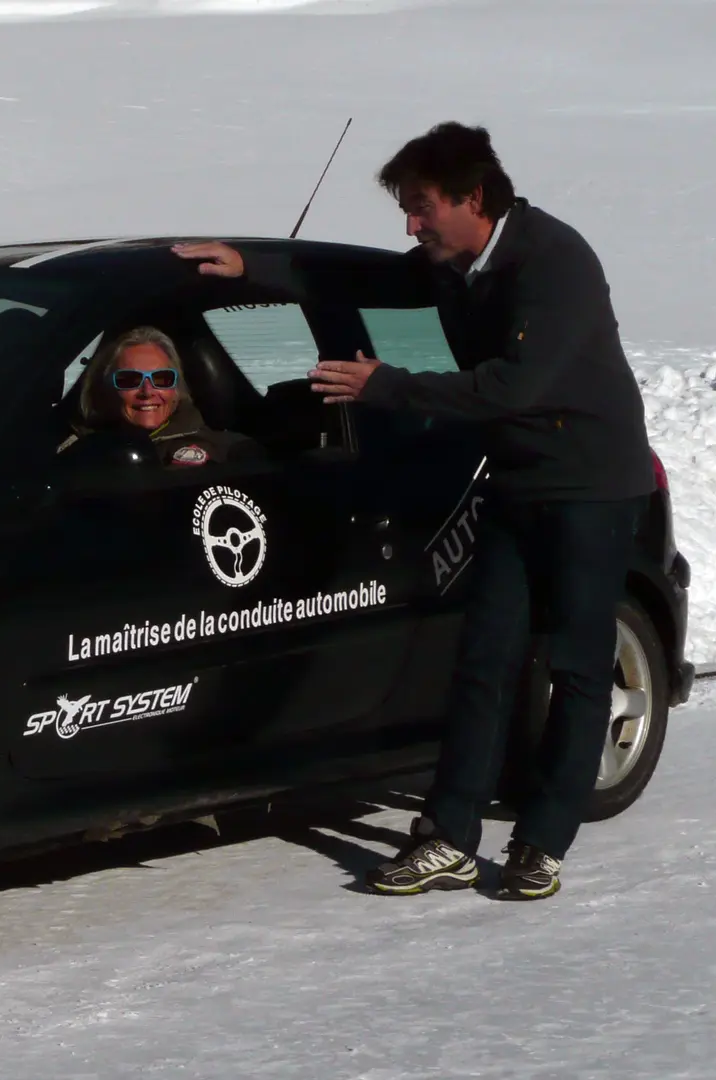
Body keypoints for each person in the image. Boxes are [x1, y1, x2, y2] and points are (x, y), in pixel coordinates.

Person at [176, 123, 656, 901]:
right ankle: (449, 837)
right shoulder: (454, 262)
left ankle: (543, 841)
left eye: (421, 207)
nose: (411, 224)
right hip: (516, 482)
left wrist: (385, 387)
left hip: (590, 486)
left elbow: (511, 388)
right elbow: (364, 283)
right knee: (483, 660)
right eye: (406, 208)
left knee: (574, 663)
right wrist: (250, 266)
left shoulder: (554, 263)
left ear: (473, 198)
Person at [57, 325, 261, 466]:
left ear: (175, 389)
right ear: (105, 388)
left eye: (162, 379)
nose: (147, 392)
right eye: (130, 380)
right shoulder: (76, 450)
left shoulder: (227, 452)